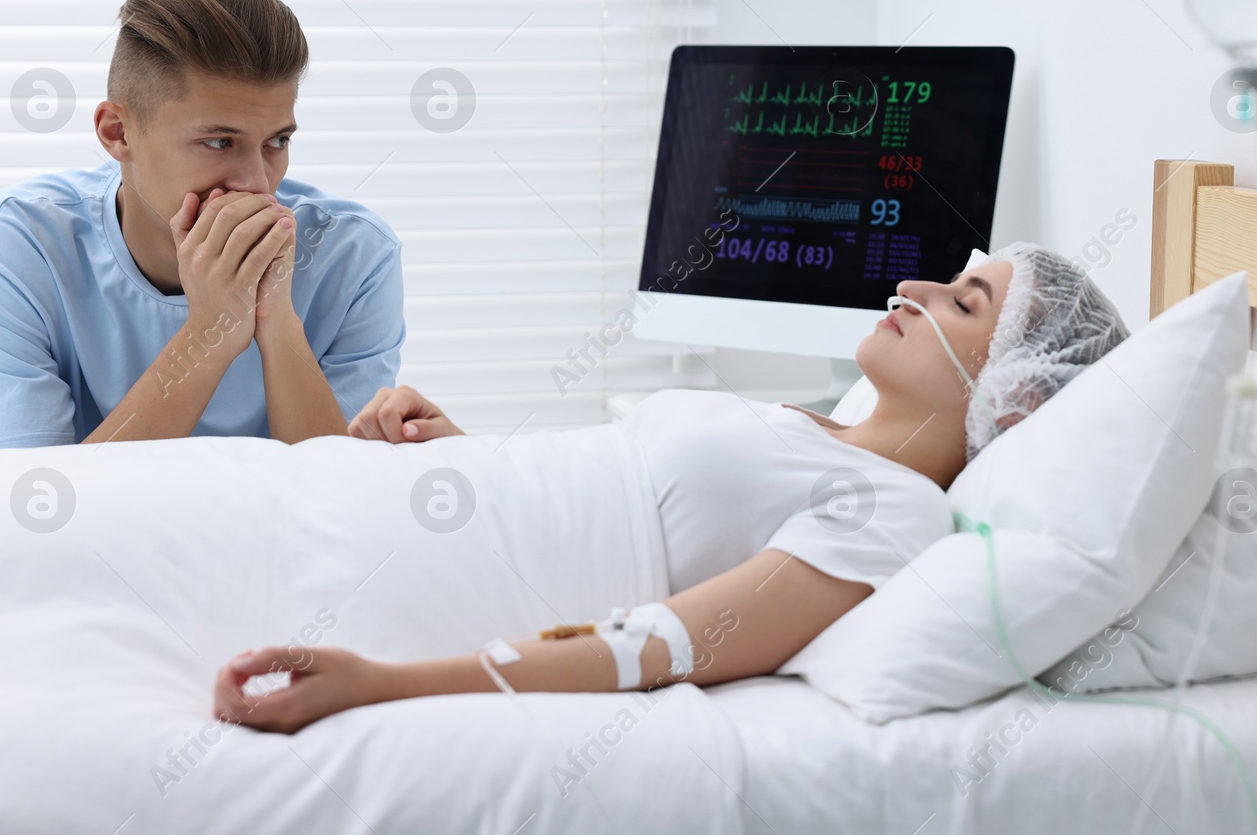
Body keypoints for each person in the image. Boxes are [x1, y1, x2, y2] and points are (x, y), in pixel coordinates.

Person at [213, 243, 1128, 733]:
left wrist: (384, 685)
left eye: (964, 303)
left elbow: (657, 647)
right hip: (378, 493)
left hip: (414, 578)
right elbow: (620, 481)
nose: (911, 285)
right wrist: (461, 452)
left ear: (1017, 399)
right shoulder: (812, 427)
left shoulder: (896, 510)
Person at [0, 0, 405, 448]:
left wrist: (277, 322)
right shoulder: (18, 245)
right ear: (117, 134)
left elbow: (346, 496)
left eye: (277, 141)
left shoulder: (355, 255)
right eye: (218, 141)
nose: (256, 183)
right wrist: (211, 330)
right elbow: (36, 501)